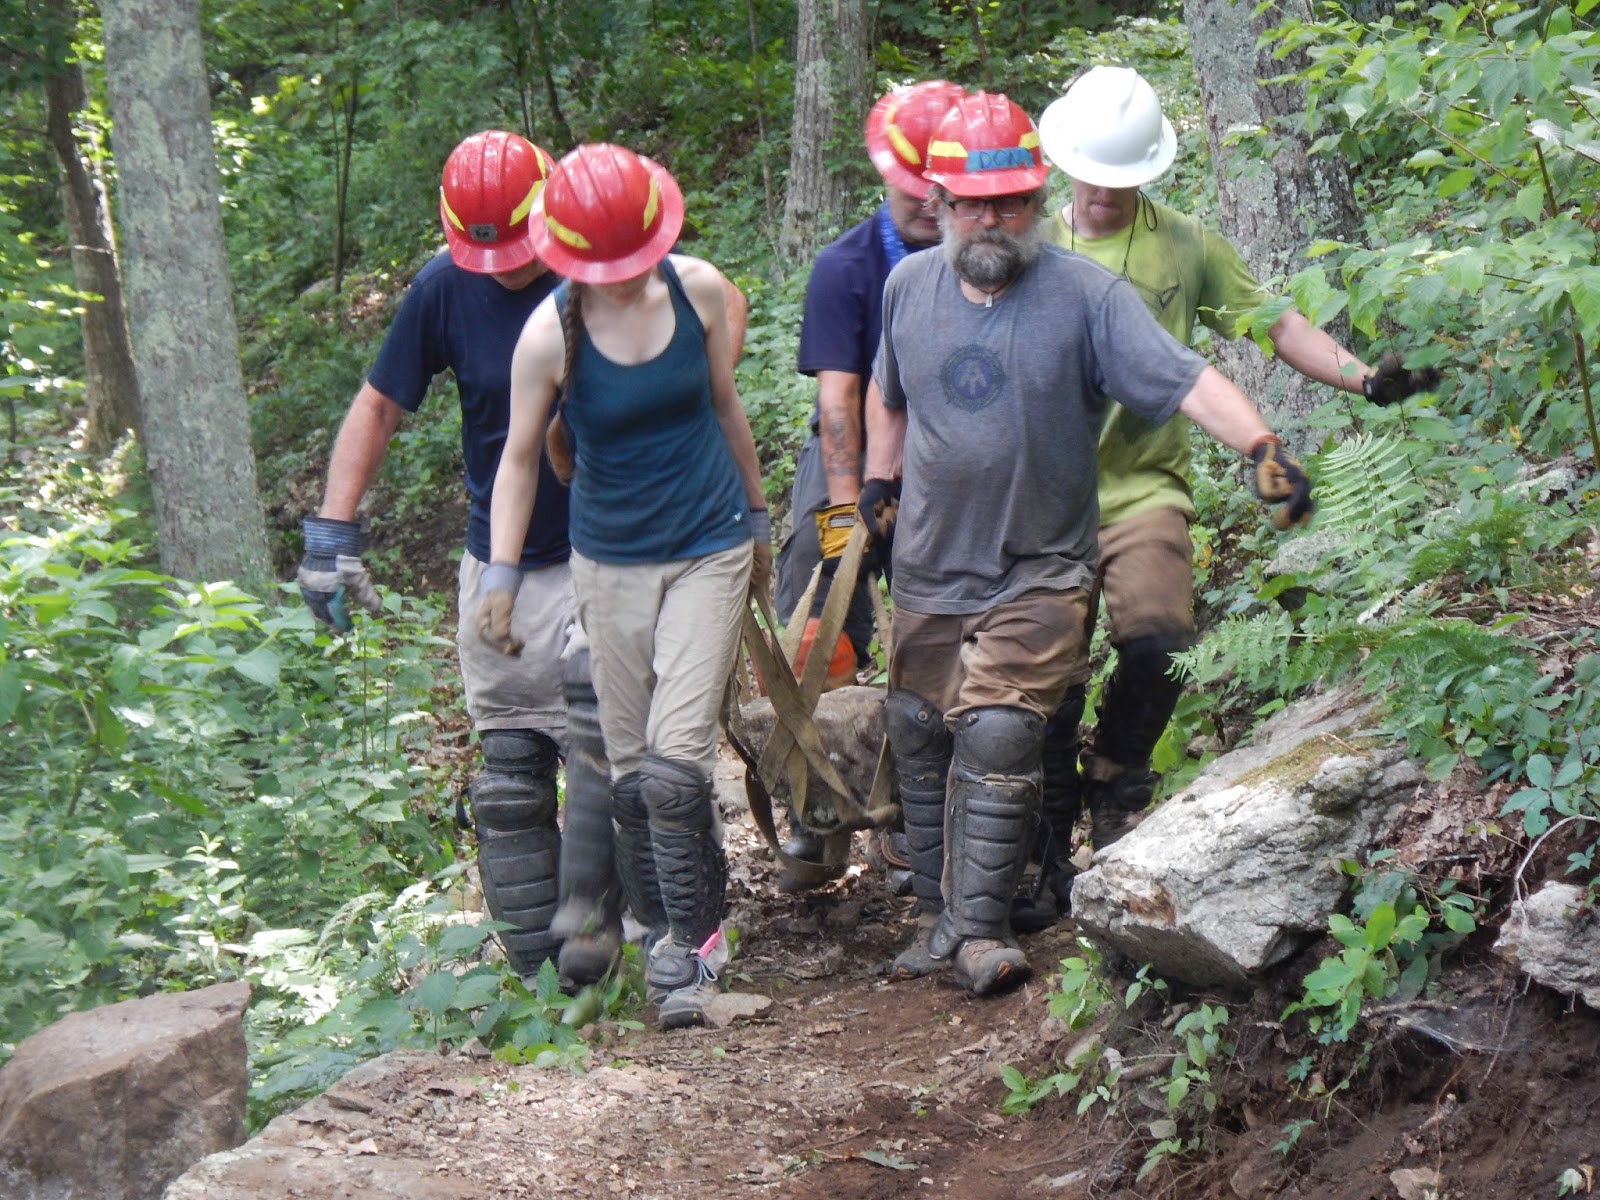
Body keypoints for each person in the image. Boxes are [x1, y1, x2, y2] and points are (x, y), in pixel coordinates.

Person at [861, 91, 1314, 996]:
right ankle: (933, 916)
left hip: (1041, 563)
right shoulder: (907, 287)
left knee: (994, 732)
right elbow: (890, 396)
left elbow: (1187, 380)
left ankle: (981, 932)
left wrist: (1261, 445)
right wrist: (876, 487)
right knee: (917, 731)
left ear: (1037, 200)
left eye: (1011, 202)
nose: (990, 220)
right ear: (941, 206)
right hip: (929, 561)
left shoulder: (1086, 294)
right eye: (971, 204)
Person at [1003, 65, 1441, 926]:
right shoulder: (1031, 247)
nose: (1099, 193)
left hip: (1143, 487)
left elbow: (1273, 322)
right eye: (1088, 174)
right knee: (1043, 681)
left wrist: (1363, 380)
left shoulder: (1188, 243)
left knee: (1162, 639)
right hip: (1040, 498)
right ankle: (1042, 846)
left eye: (1117, 179)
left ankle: (1119, 778)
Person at [297, 130, 635, 988]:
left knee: (622, 764)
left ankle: (648, 953)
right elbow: (378, 405)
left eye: (520, 253)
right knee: (514, 777)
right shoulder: (447, 289)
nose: (506, 272)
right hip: (505, 564)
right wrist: (333, 530)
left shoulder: (608, 267)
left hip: (621, 549)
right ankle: (541, 987)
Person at [480, 143, 769, 1031]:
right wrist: (500, 570)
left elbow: (725, 405)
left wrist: (759, 521)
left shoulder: (700, 290)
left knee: (678, 768)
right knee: (638, 774)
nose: (620, 277)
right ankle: (662, 939)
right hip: (607, 563)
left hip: (707, 543)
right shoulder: (548, 333)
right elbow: (520, 458)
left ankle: (699, 956)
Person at [769, 79, 966, 888]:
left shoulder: (989, 252)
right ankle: (818, 808)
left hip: (956, 452)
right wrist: (848, 515)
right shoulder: (846, 267)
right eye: (912, 188)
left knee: (947, 622)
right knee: (813, 607)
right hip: (853, 459)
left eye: (940, 190)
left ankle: (934, 806)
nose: (926, 203)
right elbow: (837, 400)